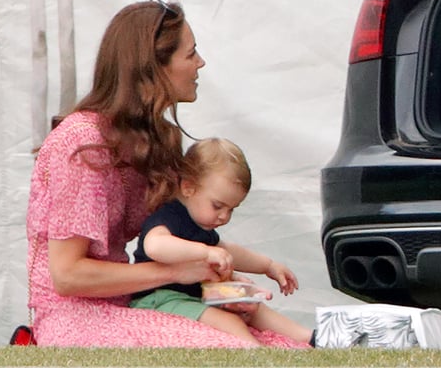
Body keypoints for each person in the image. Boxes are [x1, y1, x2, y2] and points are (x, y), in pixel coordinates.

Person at [25, 0, 308, 348]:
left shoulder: (157, 140)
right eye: (190, 54)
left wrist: (220, 286)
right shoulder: (83, 142)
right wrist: (174, 272)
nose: (200, 63)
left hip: (134, 301)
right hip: (74, 318)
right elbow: (67, 276)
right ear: (152, 67)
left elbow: (188, 242)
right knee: (232, 348)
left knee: (279, 344)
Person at [130, 137, 314, 346]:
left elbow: (227, 251)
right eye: (218, 206)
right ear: (188, 187)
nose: (224, 217)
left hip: (197, 295)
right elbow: (155, 246)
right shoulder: (171, 216)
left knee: (248, 303)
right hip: (159, 298)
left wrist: (268, 266)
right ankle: (257, 352)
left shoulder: (202, 225)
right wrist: (205, 253)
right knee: (229, 320)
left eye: (231, 209)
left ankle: (308, 337)